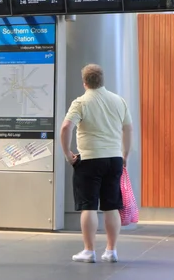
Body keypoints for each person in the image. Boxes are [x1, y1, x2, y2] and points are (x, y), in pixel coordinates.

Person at [61, 64, 133, 264]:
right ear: (102, 80)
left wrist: (67, 153)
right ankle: (111, 251)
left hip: (90, 159)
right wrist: (124, 154)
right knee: (112, 206)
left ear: (84, 82)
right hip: (114, 158)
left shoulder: (81, 102)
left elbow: (66, 126)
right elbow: (128, 129)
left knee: (89, 207)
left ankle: (89, 250)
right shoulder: (119, 101)